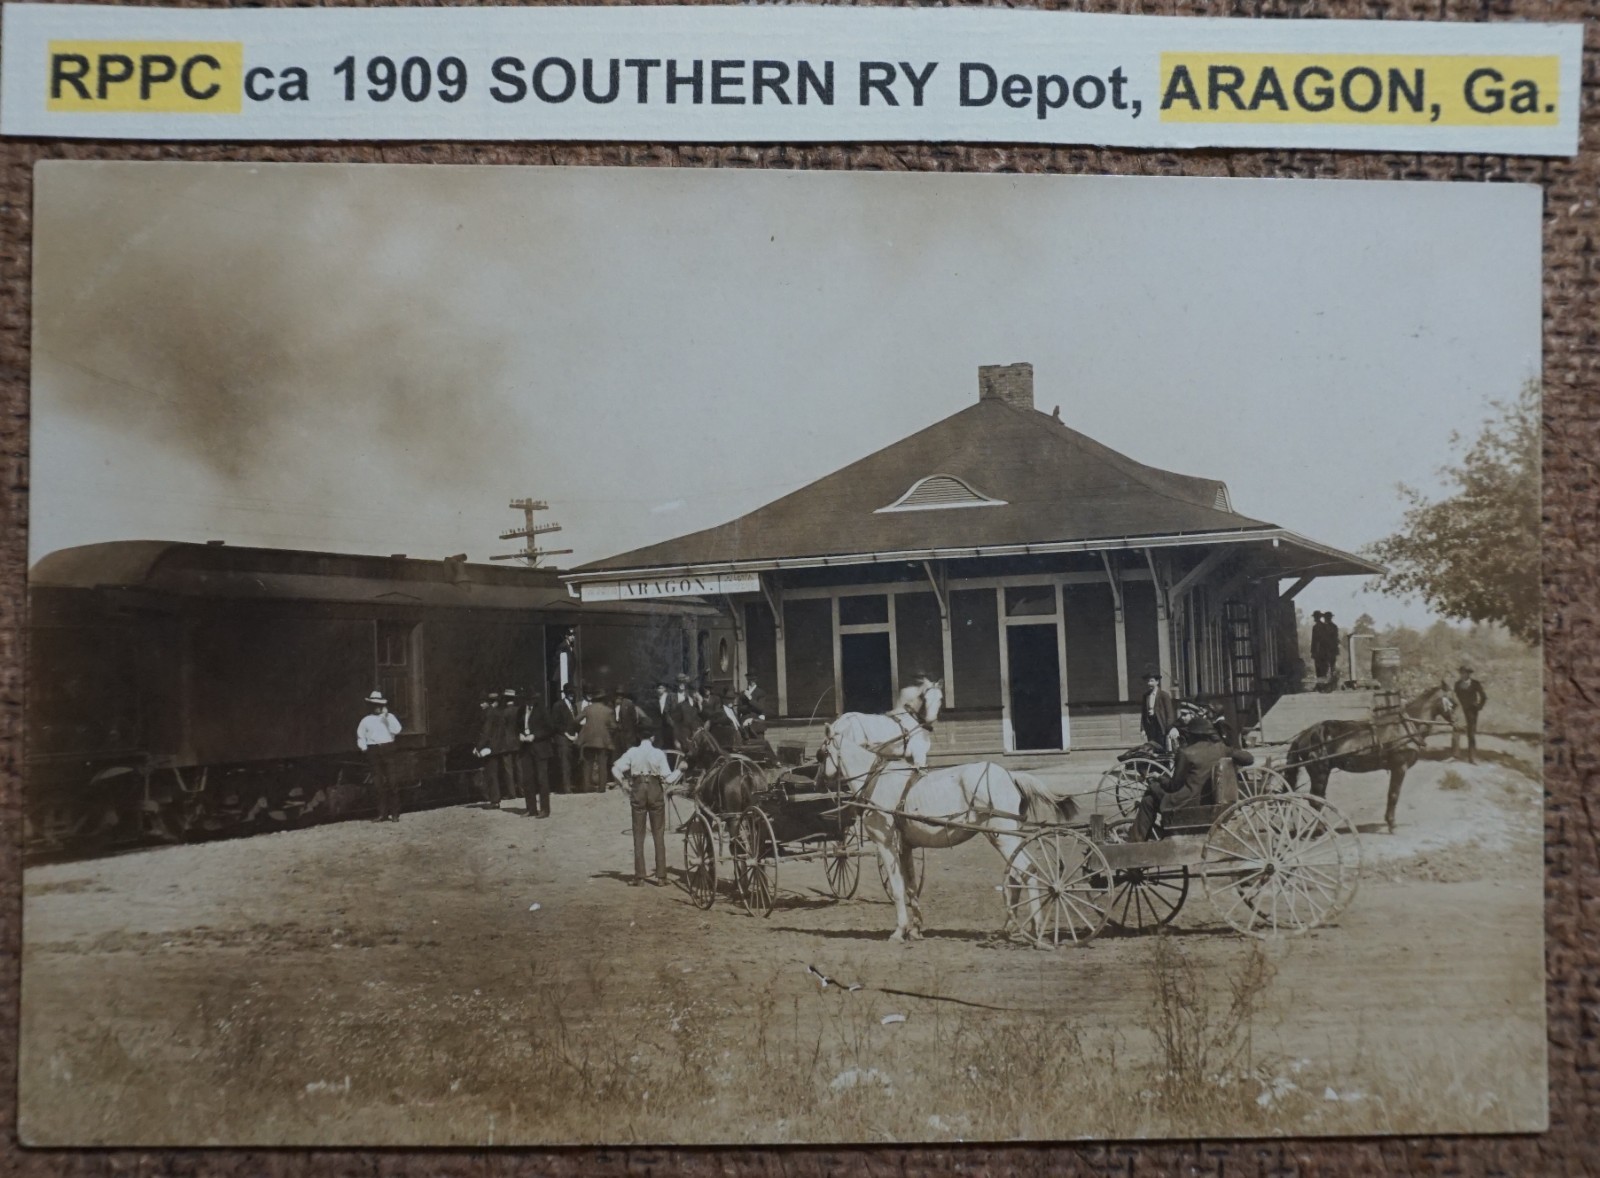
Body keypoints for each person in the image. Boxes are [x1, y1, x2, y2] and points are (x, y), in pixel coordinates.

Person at [1130, 713, 1254, 842]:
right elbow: (1249, 759)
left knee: (1150, 795)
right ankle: (1142, 837)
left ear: (1192, 734)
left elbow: (1174, 786)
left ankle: (1136, 841)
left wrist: (1159, 778)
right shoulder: (1221, 749)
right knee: (1151, 798)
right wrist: (1231, 756)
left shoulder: (1186, 753)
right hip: (1211, 801)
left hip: (1188, 802)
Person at [612, 734, 681, 886]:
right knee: (658, 833)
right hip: (655, 790)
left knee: (638, 834)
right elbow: (668, 779)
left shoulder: (632, 752)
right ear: (652, 737)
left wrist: (623, 783)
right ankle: (661, 877)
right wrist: (680, 770)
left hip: (638, 789)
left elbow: (615, 769)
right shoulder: (658, 753)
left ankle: (639, 877)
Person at [356, 690, 404, 822]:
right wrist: (364, 748)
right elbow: (361, 736)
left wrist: (387, 717)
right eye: (374, 705)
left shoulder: (389, 717)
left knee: (392, 782)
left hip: (388, 749)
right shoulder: (365, 720)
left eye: (379, 705)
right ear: (371, 706)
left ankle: (395, 814)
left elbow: (397, 730)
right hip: (373, 751)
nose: (377, 707)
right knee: (378, 784)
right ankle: (382, 814)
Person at [474, 689, 518, 809]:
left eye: (482, 702)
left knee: (491, 774)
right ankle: (495, 799)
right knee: (494, 773)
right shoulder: (498, 712)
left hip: (490, 747)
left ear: (488, 702)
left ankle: (494, 800)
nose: (481, 705)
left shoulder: (489, 713)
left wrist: (478, 747)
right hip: (497, 746)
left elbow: (486, 732)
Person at [518, 686, 555, 818]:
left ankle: (544, 809)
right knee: (527, 779)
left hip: (540, 749)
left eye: (531, 700)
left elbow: (550, 728)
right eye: (526, 700)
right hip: (526, 749)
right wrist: (520, 735)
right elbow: (517, 727)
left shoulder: (542, 710)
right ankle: (531, 809)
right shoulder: (521, 711)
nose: (529, 702)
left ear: (535, 699)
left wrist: (535, 736)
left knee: (542, 780)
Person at [577, 687, 616, 793]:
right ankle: (602, 788)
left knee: (587, 764)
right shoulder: (608, 711)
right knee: (602, 764)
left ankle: (586, 787)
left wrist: (586, 728)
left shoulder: (587, 709)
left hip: (589, 740)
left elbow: (576, 720)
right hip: (603, 740)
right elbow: (613, 726)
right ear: (603, 699)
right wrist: (607, 730)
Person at [1453, 663, 1488, 764]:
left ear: (1469, 674)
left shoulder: (1475, 684)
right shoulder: (1457, 684)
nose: (1463, 675)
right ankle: (1455, 755)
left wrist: (1478, 707)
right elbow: (1454, 697)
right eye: (1461, 673)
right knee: (1456, 731)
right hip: (1460, 711)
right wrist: (1455, 708)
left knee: (1471, 734)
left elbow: (1483, 697)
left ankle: (1472, 757)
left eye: (1465, 673)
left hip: (1471, 712)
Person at [1138, 667, 1178, 751]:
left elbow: (1170, 714)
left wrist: (1169, 728)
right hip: (1150, 726)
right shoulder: (1146, 696)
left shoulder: (1164, 695)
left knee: (1163, 748)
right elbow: (1144, 714)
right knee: (1152, 747)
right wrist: (1143, 729)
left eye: (1151, 681)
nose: (1149, 683)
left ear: (1157, 682)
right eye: (1148, 681)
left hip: (1161, 726)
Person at [550, 682, 580, 794]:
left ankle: (571, 785)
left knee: (573, 762)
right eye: (570, 693)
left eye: (573, 693)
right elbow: (555, 724)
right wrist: (567, 734)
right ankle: (566, 787)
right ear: (565, 694)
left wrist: (576, 734)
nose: (572, 695)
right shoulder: (558, 705)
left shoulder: (574, 706)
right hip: (562, 738)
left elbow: (575, 722)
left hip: (573, 738)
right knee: (564, 763)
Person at [612, 687, 643, 773]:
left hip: (628, 734)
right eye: (617, 695)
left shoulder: (629, 704)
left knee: (629, 754)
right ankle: (619, 774)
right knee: (617, 755)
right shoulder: (612, 704)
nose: (619, 697)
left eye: (621, 695)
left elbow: (634, 719)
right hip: (617, 734)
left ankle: (631, 774)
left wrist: (630, 730)